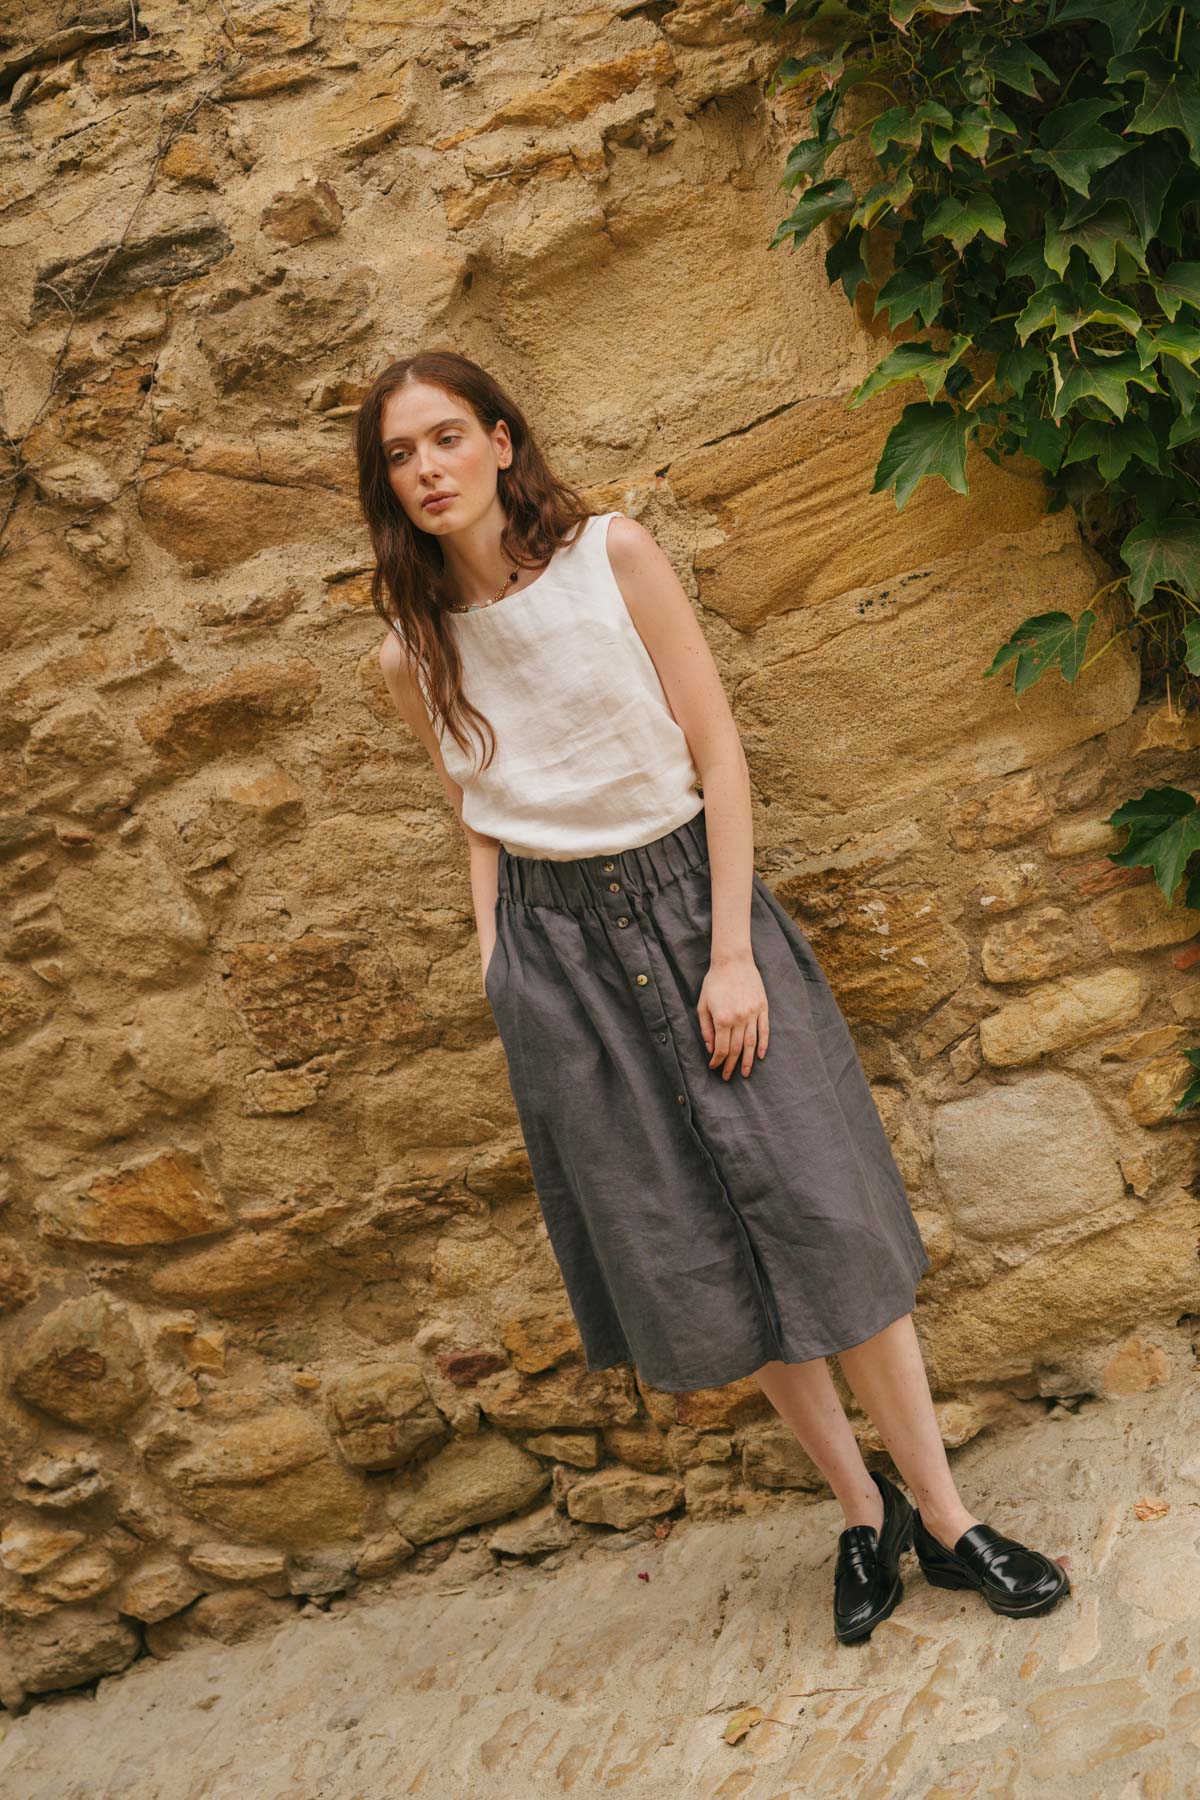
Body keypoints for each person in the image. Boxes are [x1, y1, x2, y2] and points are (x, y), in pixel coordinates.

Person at [355, 348, 1071, 1644]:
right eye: (401, 456)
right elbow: (478, 812)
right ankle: (865, 1513)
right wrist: (494, 959)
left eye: (447, 438)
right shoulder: (411, 652)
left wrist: (731, 953)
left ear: (502, 442)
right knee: (712, 1261)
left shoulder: (611, 559)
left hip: (693, 910)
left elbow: (716, 744)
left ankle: (951, 1520)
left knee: (825, 1221)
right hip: (559, 966)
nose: (427, 471)